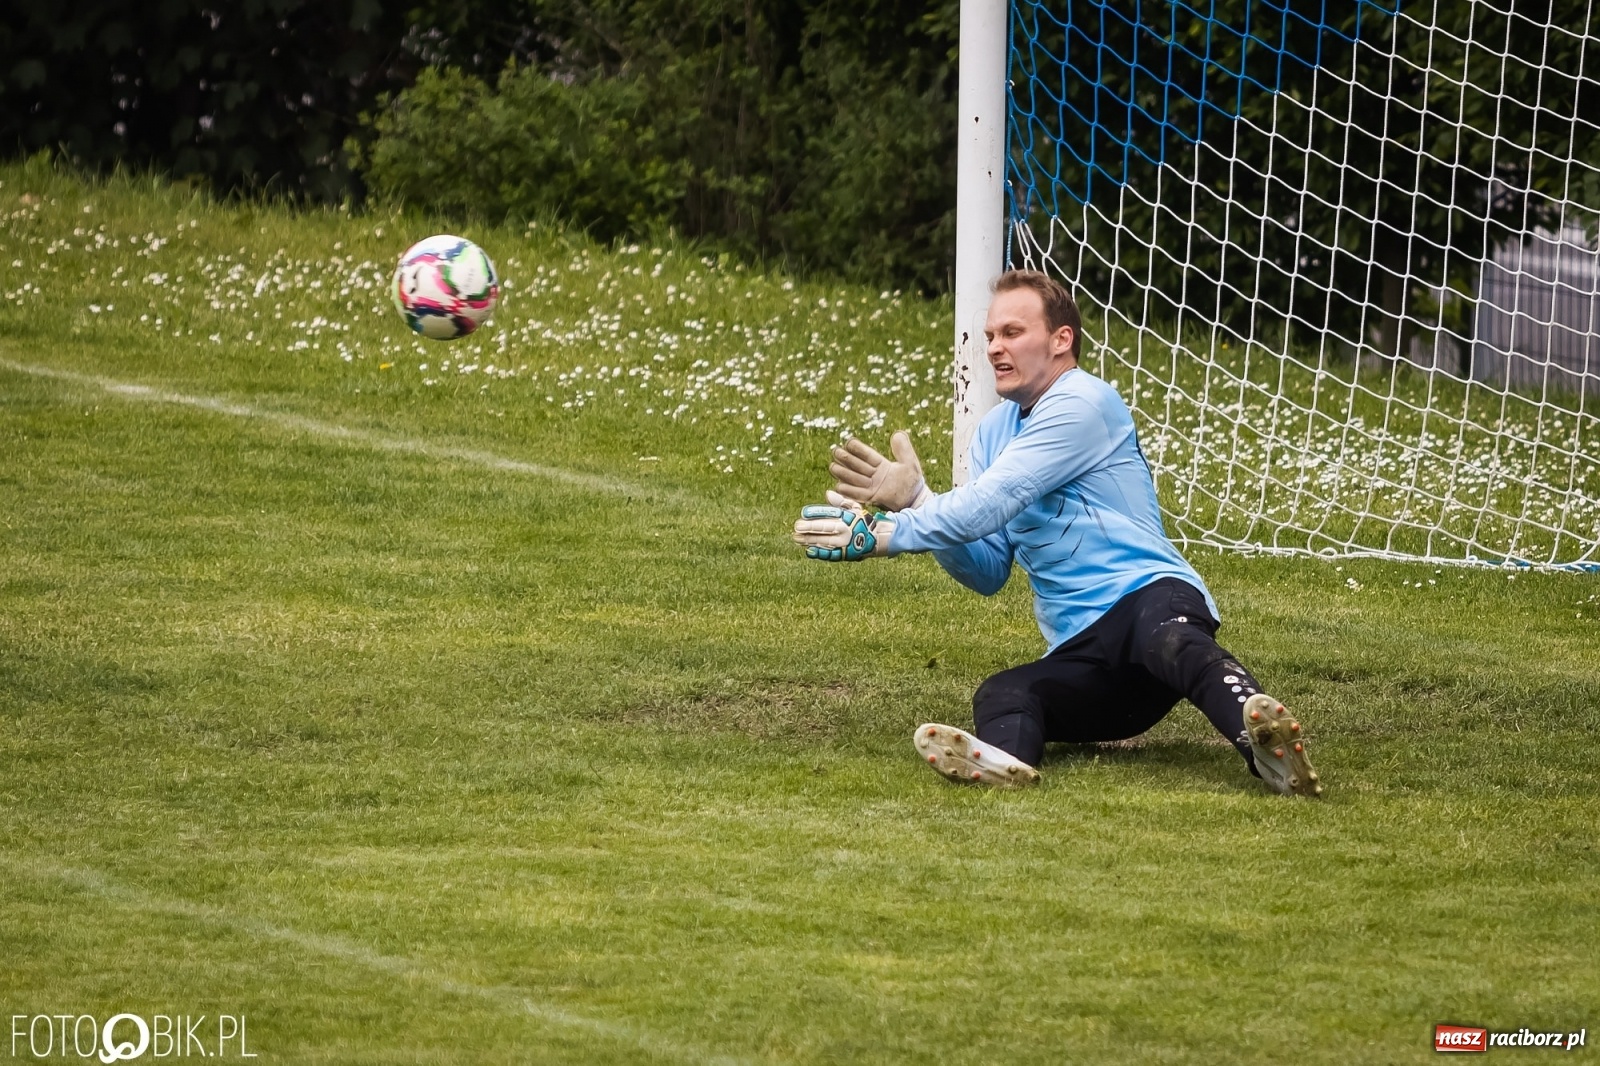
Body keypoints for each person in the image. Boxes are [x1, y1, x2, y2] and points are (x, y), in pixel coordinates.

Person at [791, 270, 1322, 797]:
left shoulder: (1083, 402)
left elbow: (991, 501)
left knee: (1171, 639)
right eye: (991, 336)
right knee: (1005, 692)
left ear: (1061, 339)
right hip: (1089, 654)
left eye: (1013, 333)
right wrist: (917, 503)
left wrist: (890, 532)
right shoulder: (993, 433)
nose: (996, 348)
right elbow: (986, 570)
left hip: (1151, 598)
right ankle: (1007, 764)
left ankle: (1267, 751)